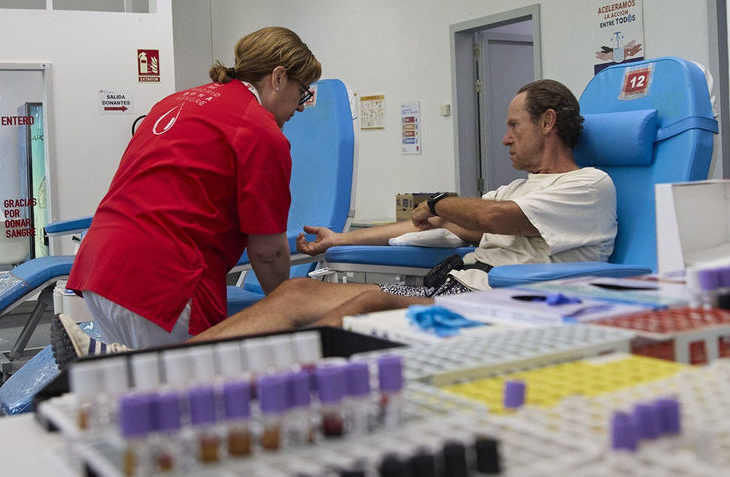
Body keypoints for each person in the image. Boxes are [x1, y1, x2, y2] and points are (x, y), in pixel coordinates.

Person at [52, 79, 617, 363]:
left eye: (515, 125)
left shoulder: (588, 186)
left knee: (366, 304)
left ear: (548, 122)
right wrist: (342, 238)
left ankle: (173, 379)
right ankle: (149, 366)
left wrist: (441, 199)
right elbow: (430, 228)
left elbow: (492, 217)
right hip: (445, 283)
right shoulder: (517, 185)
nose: (504, 137)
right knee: (298, 291)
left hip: (499, 301)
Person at [63, 27, 321, 349]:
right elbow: (267, 252)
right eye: (304, 91)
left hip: (99, 269)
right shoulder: (261, 132)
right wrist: (288, 308)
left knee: (142, 385)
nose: (300, 106)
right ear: (279, 77)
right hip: (161, 284)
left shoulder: (174, 102)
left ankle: (99, 364)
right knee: (188, 393)